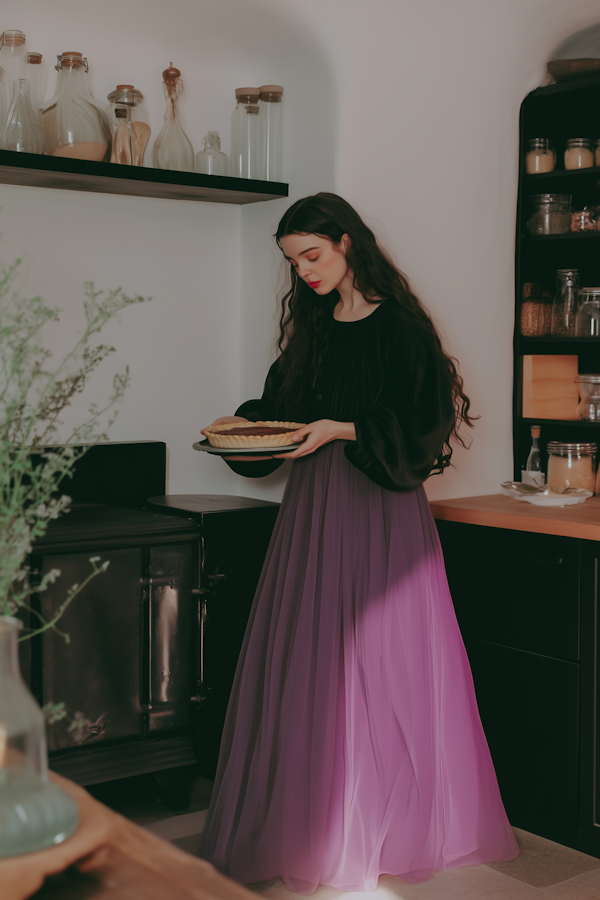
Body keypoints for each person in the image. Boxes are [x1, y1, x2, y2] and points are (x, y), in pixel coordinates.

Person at [199, 193, 518, 894]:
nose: (304, 272)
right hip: (312, 514)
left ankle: (384, 825)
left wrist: (341, 429)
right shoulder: (313, 331)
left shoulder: (398, 329)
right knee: (313, 664)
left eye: (312, 255)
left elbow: (423, 423)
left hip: (380, 511)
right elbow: (282, 412)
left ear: (348, 243)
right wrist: (241, 419)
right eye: (293, 262)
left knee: (382, 664)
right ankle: (317, 820)